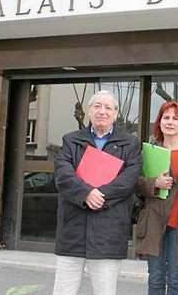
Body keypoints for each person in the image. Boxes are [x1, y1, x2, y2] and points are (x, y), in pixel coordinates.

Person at [53, 90, 142, 295]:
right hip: (72, 230)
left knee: (105, 291)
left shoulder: (130, 144)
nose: (102, 111)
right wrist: (85, 193)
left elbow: (128, 180)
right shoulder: (70, 140)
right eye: (97, 106)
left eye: (108, 107)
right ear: (89, 110)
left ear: (115, 114)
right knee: (63, 290)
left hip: (108, 232)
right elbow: (63, 175)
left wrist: (98, 195)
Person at [134, 101, 178, 295]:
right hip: (154, 221)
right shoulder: (149, 151)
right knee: (155, 278)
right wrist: (154, 183)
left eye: (175, 118)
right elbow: (134, 182)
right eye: (166, 117)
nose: (170, 122)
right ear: (159, 123)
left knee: (176, 279)